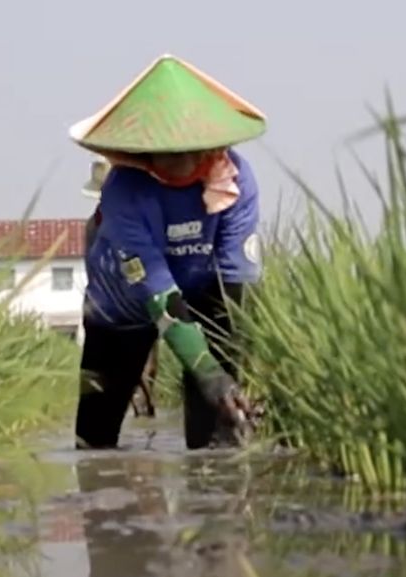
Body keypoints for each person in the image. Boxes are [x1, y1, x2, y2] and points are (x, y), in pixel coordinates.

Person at [69, 53, 266, 451]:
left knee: (218, 430)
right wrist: (208, 372)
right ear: (142, 150)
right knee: (94, 441)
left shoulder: (235, 181)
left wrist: (223, 369)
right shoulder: (124, 191)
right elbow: (156, 289)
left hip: (201, 292)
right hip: (121, 308)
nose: (183, 161)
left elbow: (235, 281)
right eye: (167, 150)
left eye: (192, 148)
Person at [82, 155, 159, 419]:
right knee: (99, 393)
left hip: (138, 310)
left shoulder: (122, 222)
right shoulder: (95, 226)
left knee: (144, 373)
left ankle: (143, 409)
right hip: (104, 314)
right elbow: (93, 270)